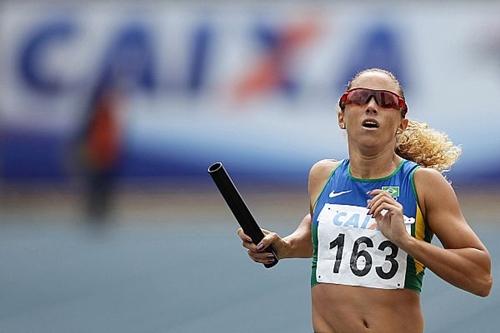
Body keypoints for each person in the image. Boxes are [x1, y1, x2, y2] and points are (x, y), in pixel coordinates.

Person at [237, 68, 492, 333]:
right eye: (360, 97)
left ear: (402, 123)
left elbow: (481, 278)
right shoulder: (322, 175)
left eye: (386, 101)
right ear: (341, 116)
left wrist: (405, 240)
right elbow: (320, 228)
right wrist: (285, 246)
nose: (372, 106)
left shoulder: (423, 184)